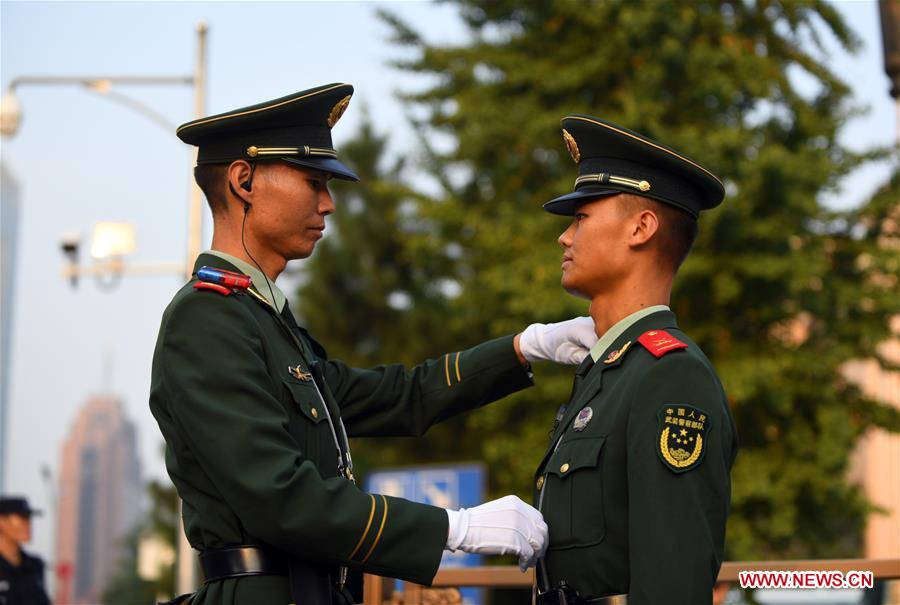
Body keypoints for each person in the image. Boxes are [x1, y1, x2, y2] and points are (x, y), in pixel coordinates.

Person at [150, 83, 598, 605]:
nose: (329, 204)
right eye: (313, 181)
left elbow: (396, 397)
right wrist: (454, 529)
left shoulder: (263, 320)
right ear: (244, 180)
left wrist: (523, 348)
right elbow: (281, 497)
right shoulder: (206, 320)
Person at [532, 115, 739, 605]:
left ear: (642, 228)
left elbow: (671, 579)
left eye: (581, 217)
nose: (565, 236)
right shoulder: (610, 371)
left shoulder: (671, 374)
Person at [0, 497, 50, 605]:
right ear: (2, 521)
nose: (28, 525)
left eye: (29, 518)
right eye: (22, 518)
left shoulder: (34, 566)